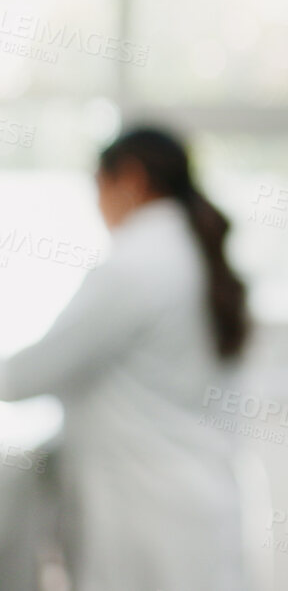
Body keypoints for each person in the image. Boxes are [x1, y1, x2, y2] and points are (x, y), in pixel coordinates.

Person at [0, 126, 251, 591]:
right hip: (200, 498)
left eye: (98, 189)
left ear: (130, 180)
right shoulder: (194, 255)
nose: (97, 207)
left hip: (146, 511)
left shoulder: (134, 267)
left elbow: (22, 377)